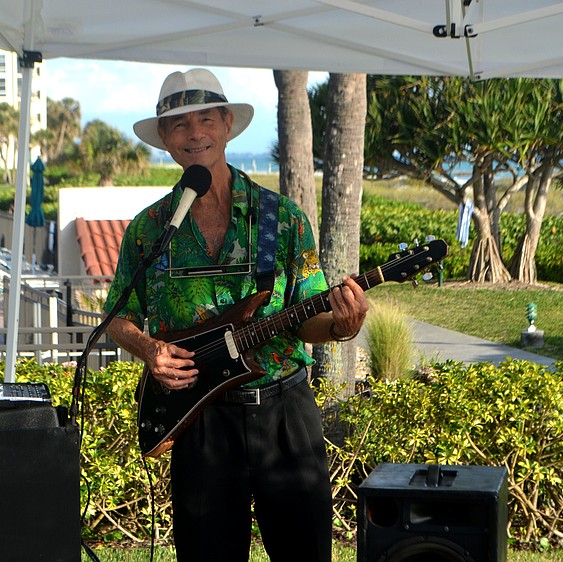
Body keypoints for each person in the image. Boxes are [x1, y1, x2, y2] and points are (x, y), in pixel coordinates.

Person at [104, 68, 369, 562]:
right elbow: (116, 317)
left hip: (284, 414)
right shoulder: (148, 229)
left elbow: (305, 316)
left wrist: (339, 325)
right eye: (180, 124)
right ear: (164, 138)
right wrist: (149, 349)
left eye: (206, 119)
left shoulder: (283, 219)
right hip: (199, 419)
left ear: (227, 126)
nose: (195, 134)